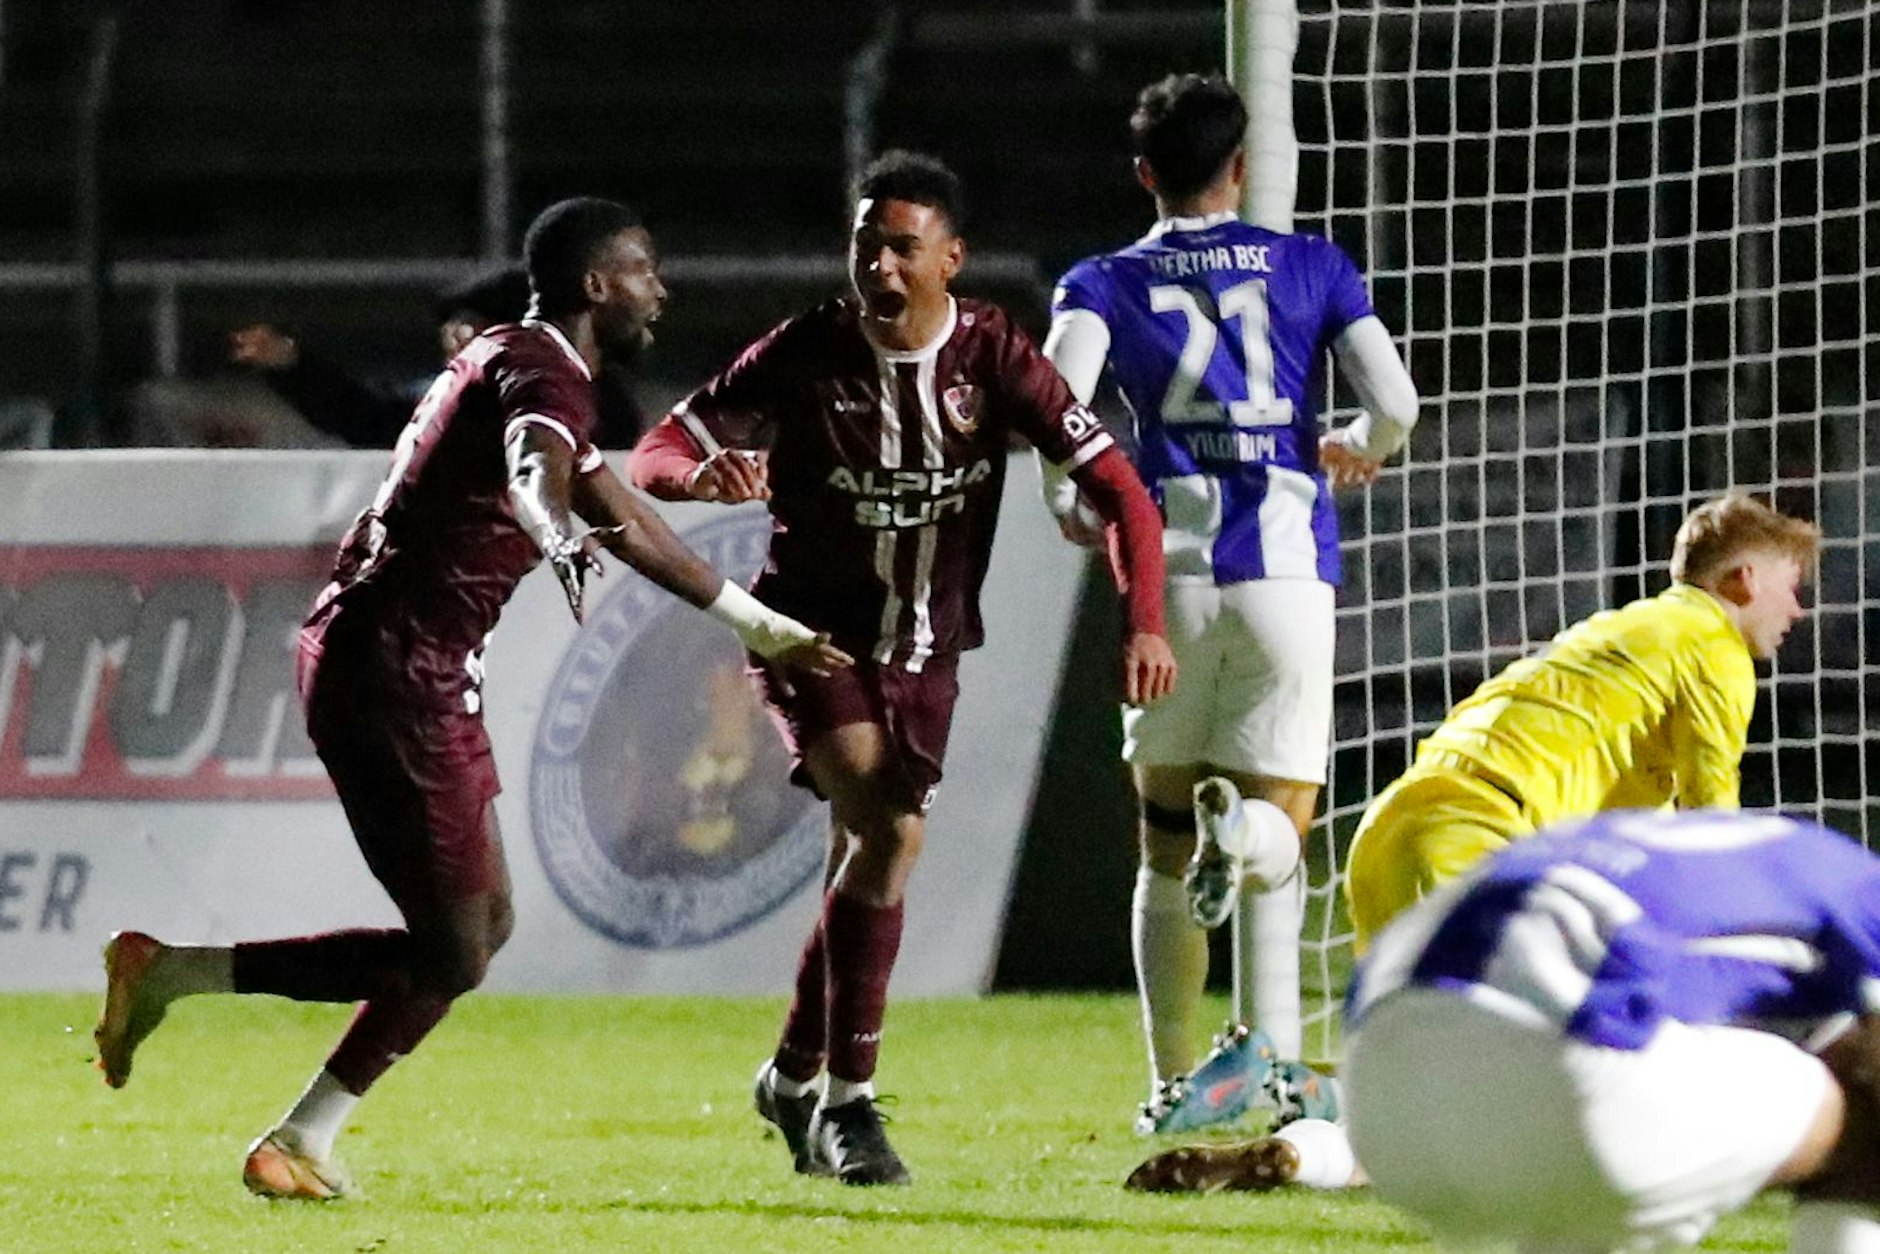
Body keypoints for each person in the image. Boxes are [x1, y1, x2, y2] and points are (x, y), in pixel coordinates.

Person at [92, 197, 849, 1201]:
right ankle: (270, 1103)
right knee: (454, 947)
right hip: (393, 668)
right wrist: (550, 528)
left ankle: (226, 1039)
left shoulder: (519, 358)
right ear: (596, 285)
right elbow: (537, 473)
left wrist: (757, 624)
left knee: (477, 932)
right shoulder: (543, 373)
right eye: (643, 270)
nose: (659, 290)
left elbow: (625, 520)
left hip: (410, 667)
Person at [629, 151, 1178, 1185]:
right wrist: (700, 475)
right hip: (807, 638)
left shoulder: (994, 358)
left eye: (900, 249)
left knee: (864, 854)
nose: (878, 267)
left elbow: (1122, 493)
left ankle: (790, 1075)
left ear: (949, 259)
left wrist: (1142, 623)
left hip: (926, 651)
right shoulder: (808, 349)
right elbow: (657, 447)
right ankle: (849, 1106)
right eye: (864, 247)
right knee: (890, 828)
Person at [1038, 72, 1420, 1134]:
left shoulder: (1101, 280)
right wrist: (1360, 444)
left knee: (1159, 845)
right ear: (1241, 168)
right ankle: (1241, 842)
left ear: (1143, 174)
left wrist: (1068, 500)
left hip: (1169, 581)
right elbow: (1395, 402)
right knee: (1281, 838)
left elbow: (1054, 407)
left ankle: (1171, 1081)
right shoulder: (1313, 266)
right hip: (1285, 574)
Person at [1128, 808, 1880, 1254]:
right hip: (1570, 1083)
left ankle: (1316, 1151)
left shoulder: (1722, 851)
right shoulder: (1860, 887)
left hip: (1387, 1106)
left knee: (1603, 1176)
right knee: (1864, 1113)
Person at [1345, 492, 1819, 949]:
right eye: (1792, 588)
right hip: (1478, 830)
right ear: (1745, 580)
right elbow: (1709, 816)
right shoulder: (1713, 643)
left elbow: (1640, 834)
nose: (1797, 609)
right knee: (1531, 999)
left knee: (1412, 1009)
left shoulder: (1625, 629)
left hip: (1392, 829)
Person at [230, 264, 647, 448]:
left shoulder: (589, 397)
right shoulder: (447, 400)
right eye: (452, 327)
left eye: (471, 325)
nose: (455, 339)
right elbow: (366, 416)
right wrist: (292, 366)